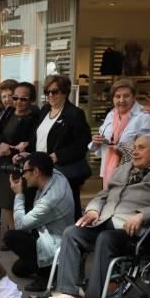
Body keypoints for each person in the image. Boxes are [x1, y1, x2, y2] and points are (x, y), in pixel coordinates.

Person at [48, 131, 150, 298]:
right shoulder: (124, 168)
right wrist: (93, 209)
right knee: (72, 232)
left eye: (141, 148)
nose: (135, 152)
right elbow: (104, 194)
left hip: (136, 231)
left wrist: (143, 215)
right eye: (135, 147)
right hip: (105, 221)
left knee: (106, 238)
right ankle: (68, 293)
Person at [4, 152, 74, 291]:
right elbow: (44, 161)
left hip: (54, 245)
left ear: (36, 171)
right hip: (46, 232)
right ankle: (43, 267)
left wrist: (18, 195)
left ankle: (47, 275)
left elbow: (20, 225)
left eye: (24, 172)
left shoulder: (52, 199)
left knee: (11, 237)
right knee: (18, 270)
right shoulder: (56, 175)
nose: (23, 175)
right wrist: (26, 159)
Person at [36, 75, 92, 221]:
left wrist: (59, 155)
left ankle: (71, 240)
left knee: (67, 210)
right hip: (42, 169)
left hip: (62, 171)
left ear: (65, 92)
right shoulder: (44, 110)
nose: (50, 95)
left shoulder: (74, 113)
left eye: (54, 92)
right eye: (47, 92)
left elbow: (82, 143)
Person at [0, 82, 40, 235]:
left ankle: (23, 233)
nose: (18, 102)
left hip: (24, 163)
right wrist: (1, 144)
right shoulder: (9, 112)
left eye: (23, 99)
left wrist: (26, 145)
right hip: (5, 162)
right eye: (15, 97)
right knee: (6, 202)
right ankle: (13, 233)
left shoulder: (35, 115)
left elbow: (36, 140)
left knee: (22, 199)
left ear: (31, 99)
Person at [90, 79, 150, 187]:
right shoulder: (111, 115)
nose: (121, 100)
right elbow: (100, 149)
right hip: (109, 171)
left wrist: (125, 147)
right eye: (117, 96)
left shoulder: (145, 116)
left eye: (126, 96)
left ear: (133, 97)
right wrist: (96, 141)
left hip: (134, 175)